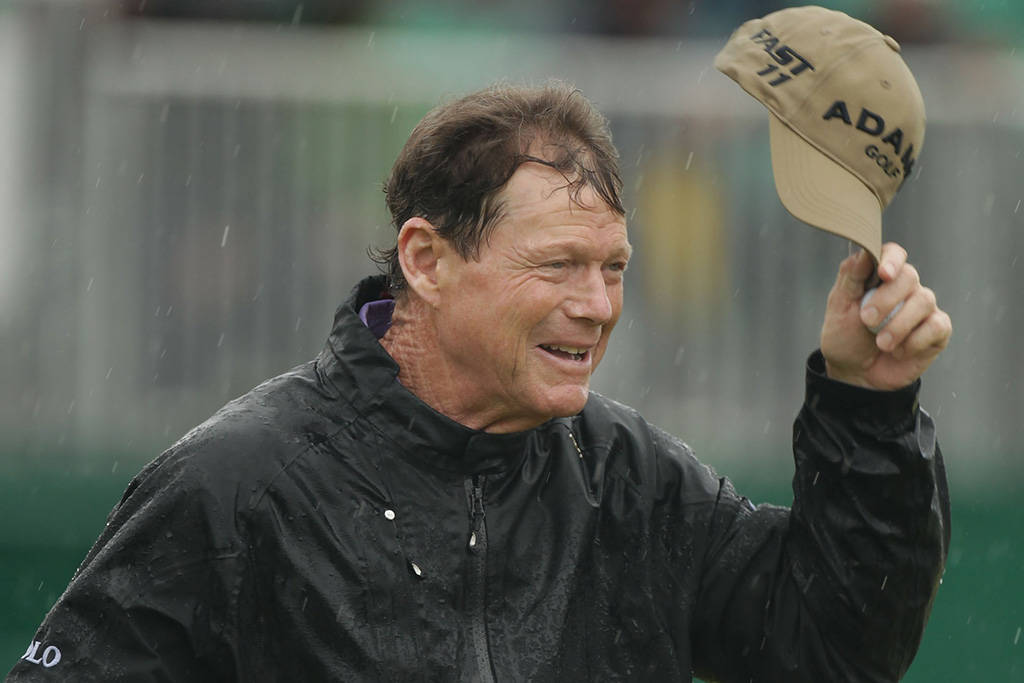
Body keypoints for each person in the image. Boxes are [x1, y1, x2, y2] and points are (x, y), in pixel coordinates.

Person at [7, 78, 951, 682]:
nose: (597, 304)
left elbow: (836, 649)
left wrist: (867, 405)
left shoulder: (631, 479)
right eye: (557, 266)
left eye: (613, 267)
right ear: (425, 259)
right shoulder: (234, 485)